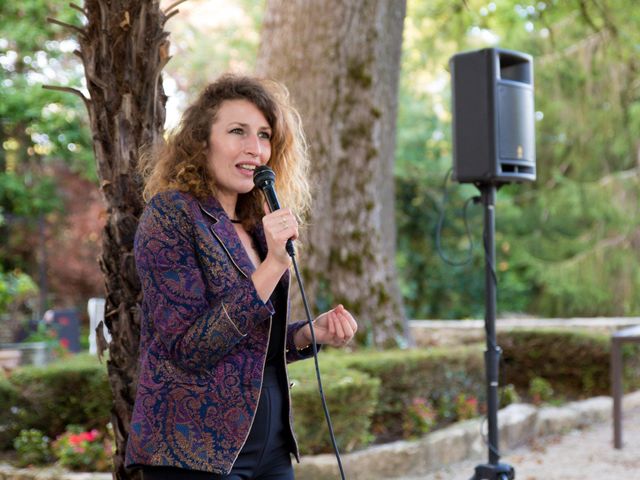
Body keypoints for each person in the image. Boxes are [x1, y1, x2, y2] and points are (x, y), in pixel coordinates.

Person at [125, 74, 358, 480]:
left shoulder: (254, 224)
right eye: (238, 132)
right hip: (195, 451)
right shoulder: (172, 215)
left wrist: (307, 335)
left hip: (270, 448)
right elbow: (190, 348)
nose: (255, 148)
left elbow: (247, 345)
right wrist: (272, 265)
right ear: (201, 141)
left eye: (265, 135)